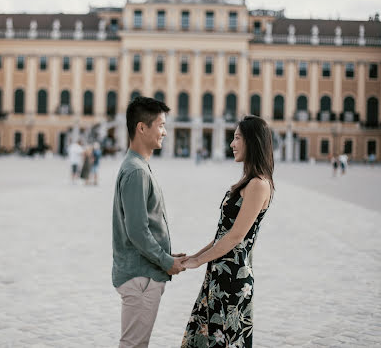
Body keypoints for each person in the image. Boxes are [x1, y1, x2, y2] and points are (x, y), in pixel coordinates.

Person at [181, 115, 274, 348]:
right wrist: (193, 257)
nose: (232, 144)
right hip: (219, 275)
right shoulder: (247, 181)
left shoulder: (259, 184)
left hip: (233, 280)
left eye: (237, 138)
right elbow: (221, 236)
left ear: (253, 142)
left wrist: (199, 261)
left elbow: (236, 236)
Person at [112, 96, 188, 348]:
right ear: (141, 128)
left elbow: (143, 226)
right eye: (161, 125)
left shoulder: (138, 167)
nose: (165, 132)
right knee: (134, 345)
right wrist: (166, 261)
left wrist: (165, 254)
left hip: (142, 272)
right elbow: (137, 230)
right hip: (140, 277)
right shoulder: (136, 171)